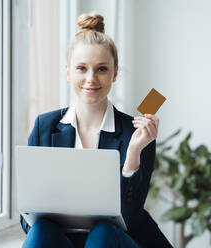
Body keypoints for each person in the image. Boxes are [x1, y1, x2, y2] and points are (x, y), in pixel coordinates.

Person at [20, 12, 173, 248]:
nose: (91, 79)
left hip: (117, 241)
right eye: (82, 68)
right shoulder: (44, 126)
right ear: (68, 72)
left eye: (101, 69)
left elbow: (131, 219)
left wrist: (132, 154)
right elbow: (27, 220)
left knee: (103, 233)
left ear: (114, 73)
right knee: (41, 230)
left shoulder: (137, 135)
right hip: (61, 240)